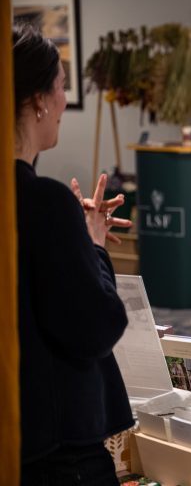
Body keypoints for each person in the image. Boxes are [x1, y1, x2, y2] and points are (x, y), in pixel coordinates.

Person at [14, 24, 134, 484]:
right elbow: (95, 327)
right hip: (58, 446)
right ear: (39, 101)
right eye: (62, 87)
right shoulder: (44, 201)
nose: (65, 102)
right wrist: (94, 245)